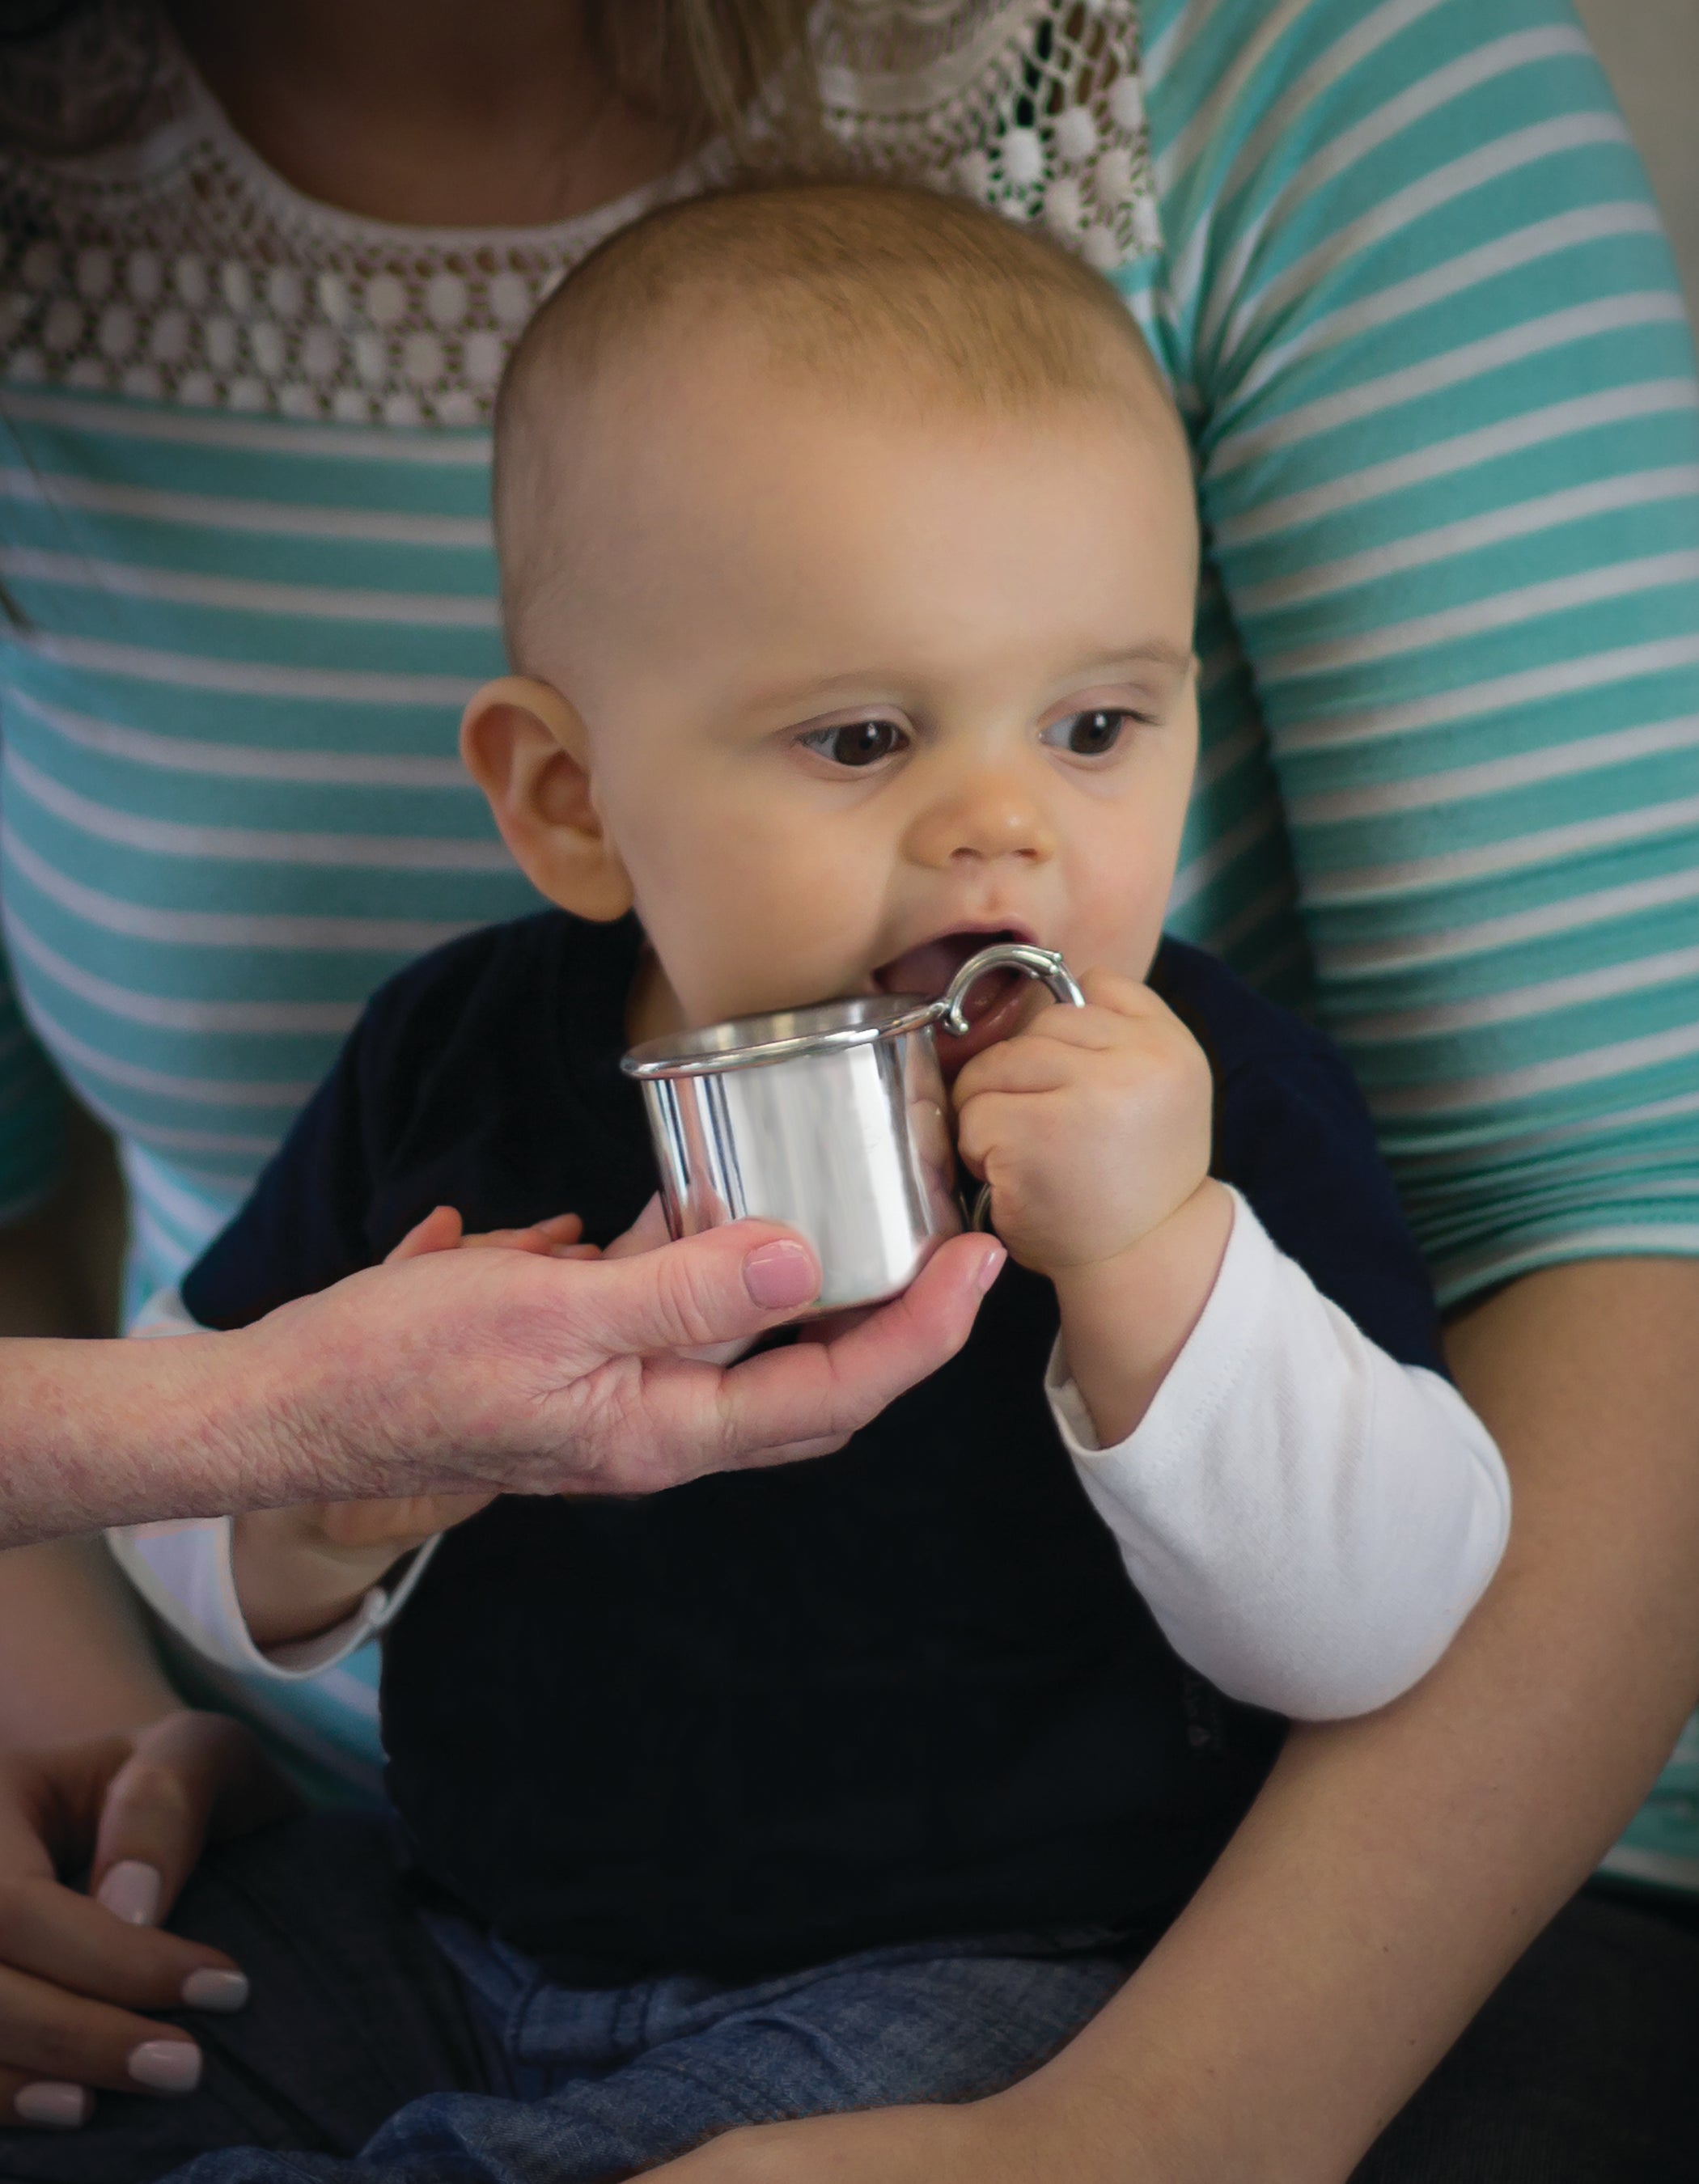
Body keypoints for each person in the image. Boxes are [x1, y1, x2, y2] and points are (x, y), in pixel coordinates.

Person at [0, 0, 1695, 2176]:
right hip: (452, 1904)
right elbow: (191, 1412)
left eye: (1094, 730)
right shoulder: (464, 1047)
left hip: (997, 1964)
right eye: (865, 741)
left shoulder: (1195, 1098)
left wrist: (1162, 1273)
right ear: (567, 798)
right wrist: (311, 1516)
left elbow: (1376, 1615)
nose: (1004, 837)